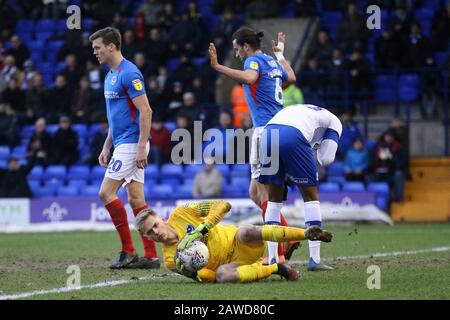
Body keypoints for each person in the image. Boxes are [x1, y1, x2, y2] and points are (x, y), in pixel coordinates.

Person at [209, 27, 297, 264]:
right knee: (255, 193)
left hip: (264, 131)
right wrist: (280, 55)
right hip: (279, 128)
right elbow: (290, 79)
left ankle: (279, 249)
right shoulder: (270, 60)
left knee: (264, 193)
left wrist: (218, 67)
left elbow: (249, 78)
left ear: (246, 47)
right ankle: (288, 236)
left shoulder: (254, 61)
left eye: (238, 50)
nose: (237, 55)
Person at [89, 27, 159, 269]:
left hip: (131, 144)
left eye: (98, 47)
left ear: (111, 46)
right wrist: (106, 145)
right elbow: (115, 118)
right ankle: (150, 256)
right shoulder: (110, 75)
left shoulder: (130, 73)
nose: (95, 52)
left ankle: (128, 251)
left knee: (106, 193)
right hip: (121, 143)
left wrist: (141, 146)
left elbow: (146, 110)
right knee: (137, 199)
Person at [134, 200, 333, 283]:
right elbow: (209, 277)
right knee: (222, 276)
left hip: (240, 243)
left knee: (246, 230)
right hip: (232, 265)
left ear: (159, 218)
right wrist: (193, 274)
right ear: (147, 237)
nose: (155, 232)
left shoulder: (182, 213)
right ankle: (275, 268)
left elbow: (223, 205)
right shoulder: (170, 260)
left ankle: (305, 234)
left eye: (154, 225)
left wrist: (201, 229)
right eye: (149, 233)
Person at [258, 104, 342, 270]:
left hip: (267, 133)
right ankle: (315, 260)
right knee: (310, 198)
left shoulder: (303, 110)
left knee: (273, 200)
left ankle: (274, 259)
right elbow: (326, 159)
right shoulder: (335, 122)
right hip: (293, 134)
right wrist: (315, 149)